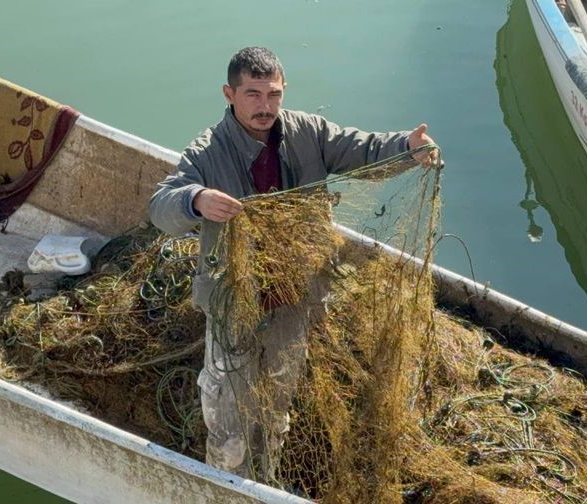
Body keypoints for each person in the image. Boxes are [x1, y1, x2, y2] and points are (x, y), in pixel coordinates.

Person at [149, 47, 437, 480]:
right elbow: (160, 205)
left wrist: (407, 148)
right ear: (229, 93)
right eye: (252, 94)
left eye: (273, 94)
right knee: (229, 413)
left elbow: (365, 151)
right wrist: (196, 199)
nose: (264, 106)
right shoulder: (208, 151)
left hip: (295, 295)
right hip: (234, 300)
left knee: (277, 404)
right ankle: (227, 482)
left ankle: (267, 479)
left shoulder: (309, 132)